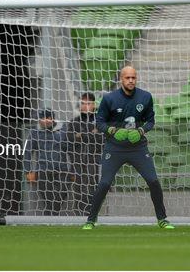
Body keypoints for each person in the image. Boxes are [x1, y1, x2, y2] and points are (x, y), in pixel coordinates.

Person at [82, 66, 174, 230]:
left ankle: (162, 219)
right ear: (121, 79)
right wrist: (112, 130)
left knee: (153, 181)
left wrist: (141, 131)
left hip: (138, 148)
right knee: (104, 183)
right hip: (114, 147)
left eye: (133, 77)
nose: (131, 80)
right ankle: (91, 220)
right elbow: (99, 122)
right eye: (127, 78)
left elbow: (150, 122)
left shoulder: (145, 97)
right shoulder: (109, 99)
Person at [24, 109, 70, 216]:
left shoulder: (63, 130)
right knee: (49, 199)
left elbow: (71, 150)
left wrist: (73, 169)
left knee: (61, 195)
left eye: (44, 118)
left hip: (62, 170)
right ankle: (51, 220)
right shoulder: (35, 132)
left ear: (51, 118)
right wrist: (28, 171)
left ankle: (49, 218)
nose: (41, 121)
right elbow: (27, 152)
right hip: (43, 170)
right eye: (40, 118)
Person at [66, 92, 105, 215]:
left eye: (88, 103)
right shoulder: (74, 122)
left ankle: (91, 216)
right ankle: (78, 217)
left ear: (93, 105)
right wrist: (90, 134)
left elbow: (101, 139)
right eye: (83, 103)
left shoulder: (100, 121)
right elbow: (69, 139)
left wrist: (81, 135)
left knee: (91, 191)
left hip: (93, 162)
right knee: (78, 192)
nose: (85, 106)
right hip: (77, 163)